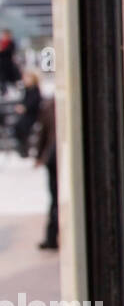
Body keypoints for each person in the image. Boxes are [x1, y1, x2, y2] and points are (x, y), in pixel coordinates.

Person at [33, 94, 57, 251]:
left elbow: (42, 134)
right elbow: (43, 134)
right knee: (56, 199)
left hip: (53, 157)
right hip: (54, 158)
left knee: (55, 199)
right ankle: (51, 236)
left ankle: (51, 236)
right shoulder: (50, 106)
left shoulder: (50, 106)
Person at [11, 69, 43, 157]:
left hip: (33, 116)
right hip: (27, 116)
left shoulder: (35, 90)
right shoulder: (27, 90)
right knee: (18, 127)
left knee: (22, 126)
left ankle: (25, 149)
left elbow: (33, 103)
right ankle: (23, 148)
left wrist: (24, 108)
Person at [0, 28, 18, 97]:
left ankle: (11, 91)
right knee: (2, 80)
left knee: (11, 79)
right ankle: (4, 92)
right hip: (1, 65)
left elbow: (9, 52)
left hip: (8, 65)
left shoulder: (11, 43)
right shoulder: (2, 43)